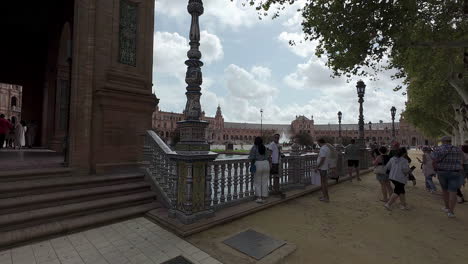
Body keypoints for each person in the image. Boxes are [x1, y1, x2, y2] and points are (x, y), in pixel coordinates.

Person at [431, 136, 464, 218]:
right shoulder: (458, 149)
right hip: (455, 172)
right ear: (450, 141)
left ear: (443, 141)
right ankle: (451, 212)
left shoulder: (438, 149)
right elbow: (462, 160)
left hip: (442, 172)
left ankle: (446, 207)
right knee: (453, 192)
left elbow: (433, 159)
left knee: (445, 190)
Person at [249, 137, 270, 203]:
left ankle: (259, 198)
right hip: (266, 164)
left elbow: (252, 158)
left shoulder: (254, 147)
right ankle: (264, 197)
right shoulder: (265, 147)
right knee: (265, 181)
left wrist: (252, 166)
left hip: (258, 164)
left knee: (257, 181)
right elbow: (268, 156)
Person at [267, 133, 285, 198]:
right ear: (273, 138)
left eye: (278, 138)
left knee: (277, 177)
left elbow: (280, 153)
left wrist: (281, 152)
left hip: (278, 162)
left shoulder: (278, 145)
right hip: (274, 163)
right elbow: (269, 155)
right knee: (275, 177)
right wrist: (270, 163)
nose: (277, 139)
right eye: (275, 137)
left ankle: (277, 190)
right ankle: (275, 191)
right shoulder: (272, 145)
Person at [315, 138, 331, 202]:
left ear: (320, 142)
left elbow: (323, 159)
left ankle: (326, 198)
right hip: (325, 167)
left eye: (318, 143)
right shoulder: (327, 148)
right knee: (325, 183)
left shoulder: (323, 148)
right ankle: (326, 196)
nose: (318, 144)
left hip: (322, 168)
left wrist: (317, 167)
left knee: (323, 183)